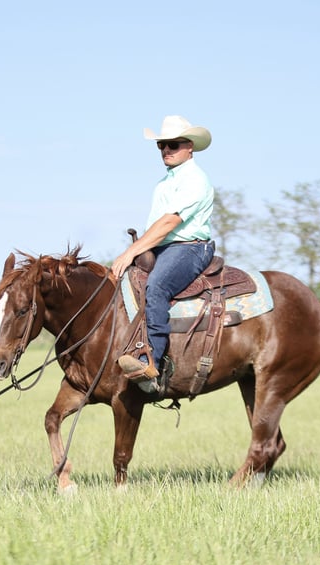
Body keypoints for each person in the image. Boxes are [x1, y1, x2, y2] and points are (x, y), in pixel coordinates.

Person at [111, 115, 215, 392]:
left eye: (173, 145)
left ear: (189, 146)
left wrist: (131, 251)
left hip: (189, 248)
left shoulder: (195, 180)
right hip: (164, 246)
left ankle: (150, 361)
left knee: (156, 287)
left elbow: (169, 223)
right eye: (162, 145)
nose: (166, 150)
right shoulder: (165, 181)